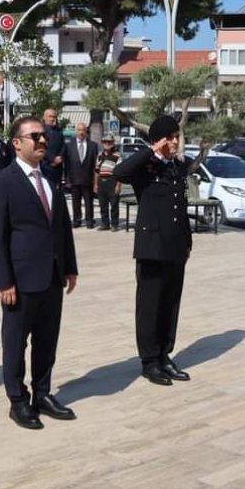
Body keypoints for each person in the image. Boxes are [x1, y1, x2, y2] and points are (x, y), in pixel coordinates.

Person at [0, 115, 79, 430]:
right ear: (16, 143)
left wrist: (70, 267)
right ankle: (18, 400)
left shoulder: (49, 177)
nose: (42, 141)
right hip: (20, 280)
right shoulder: (2, 180)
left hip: (52, 275)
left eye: (43, 136)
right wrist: (5, 280)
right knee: (15, 341)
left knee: (47, 340)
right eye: (34, 136)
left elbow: (62, 227)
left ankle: (43, 393)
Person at [114, 115, 193, 386]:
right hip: (151, 248)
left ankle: (164, 354)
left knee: (170, 303)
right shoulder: (145, 168)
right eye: (169, 138)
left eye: (175, 137)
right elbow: (119, 173)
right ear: (158, 140)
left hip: (175, 248)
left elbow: (180, 206)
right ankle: (149, 361)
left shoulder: (177, 167)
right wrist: (152, 150)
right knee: (150, 306)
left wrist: (187, 240)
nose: (174, 142)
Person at [65, 122, 97, 229]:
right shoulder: (69, 146)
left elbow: (95, 164)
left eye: (83, 130)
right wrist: (67, 179)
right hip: (74, 179)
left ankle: (89, 220)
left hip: (88, 179)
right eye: (79, 130)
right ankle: (77, 220)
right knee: (76, 202)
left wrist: (95, 180)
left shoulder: (92, 145)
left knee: (89, 201)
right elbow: (67, 164)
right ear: (76, 131)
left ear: (86, 131)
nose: (81, 132)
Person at [94, 133, 122, 231]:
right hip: (102, 182)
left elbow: (120, 172)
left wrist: (118, 185)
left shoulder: (117, 155)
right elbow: (97, 171)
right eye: (105, 142)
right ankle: (105, 224)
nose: (107, 143)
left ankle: (114, 224)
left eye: (109, 142)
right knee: (103, 204)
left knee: (114, 204)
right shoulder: (99, 155)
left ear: (113, 143)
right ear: (102, 143)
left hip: (112, 182)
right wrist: (95, 184)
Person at [40, 108, 66, 187]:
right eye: (50, 116)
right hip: (45, 165)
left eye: (54, 117)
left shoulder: (59, 131)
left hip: (57, 167)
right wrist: (52, 159)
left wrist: (60, 157)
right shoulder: (40, 131)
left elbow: (63, 146)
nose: (52, 119)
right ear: (44, 117)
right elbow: (40, 147)